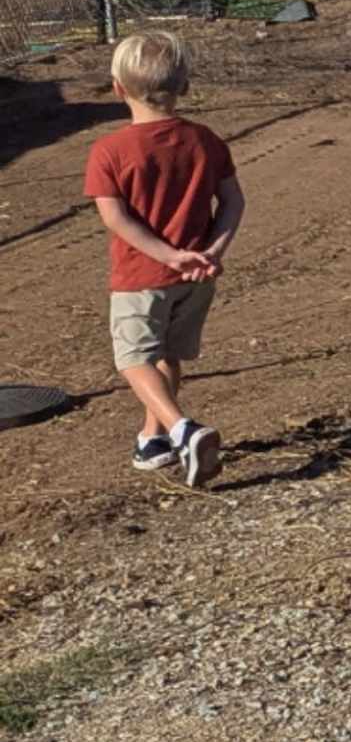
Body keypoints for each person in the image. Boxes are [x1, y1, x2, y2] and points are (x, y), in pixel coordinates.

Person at [83, 30, 241, 486]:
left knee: (133, 359)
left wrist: (168, 255)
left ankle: (182, 429)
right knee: (169, 355)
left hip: (142, 276)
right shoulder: (205, 140)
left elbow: (116, 219)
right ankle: (153, 441)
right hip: (197, 276)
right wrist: (211, 251)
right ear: (184, 87)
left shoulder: (109, 151)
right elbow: (232, 202)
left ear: (117, 89)